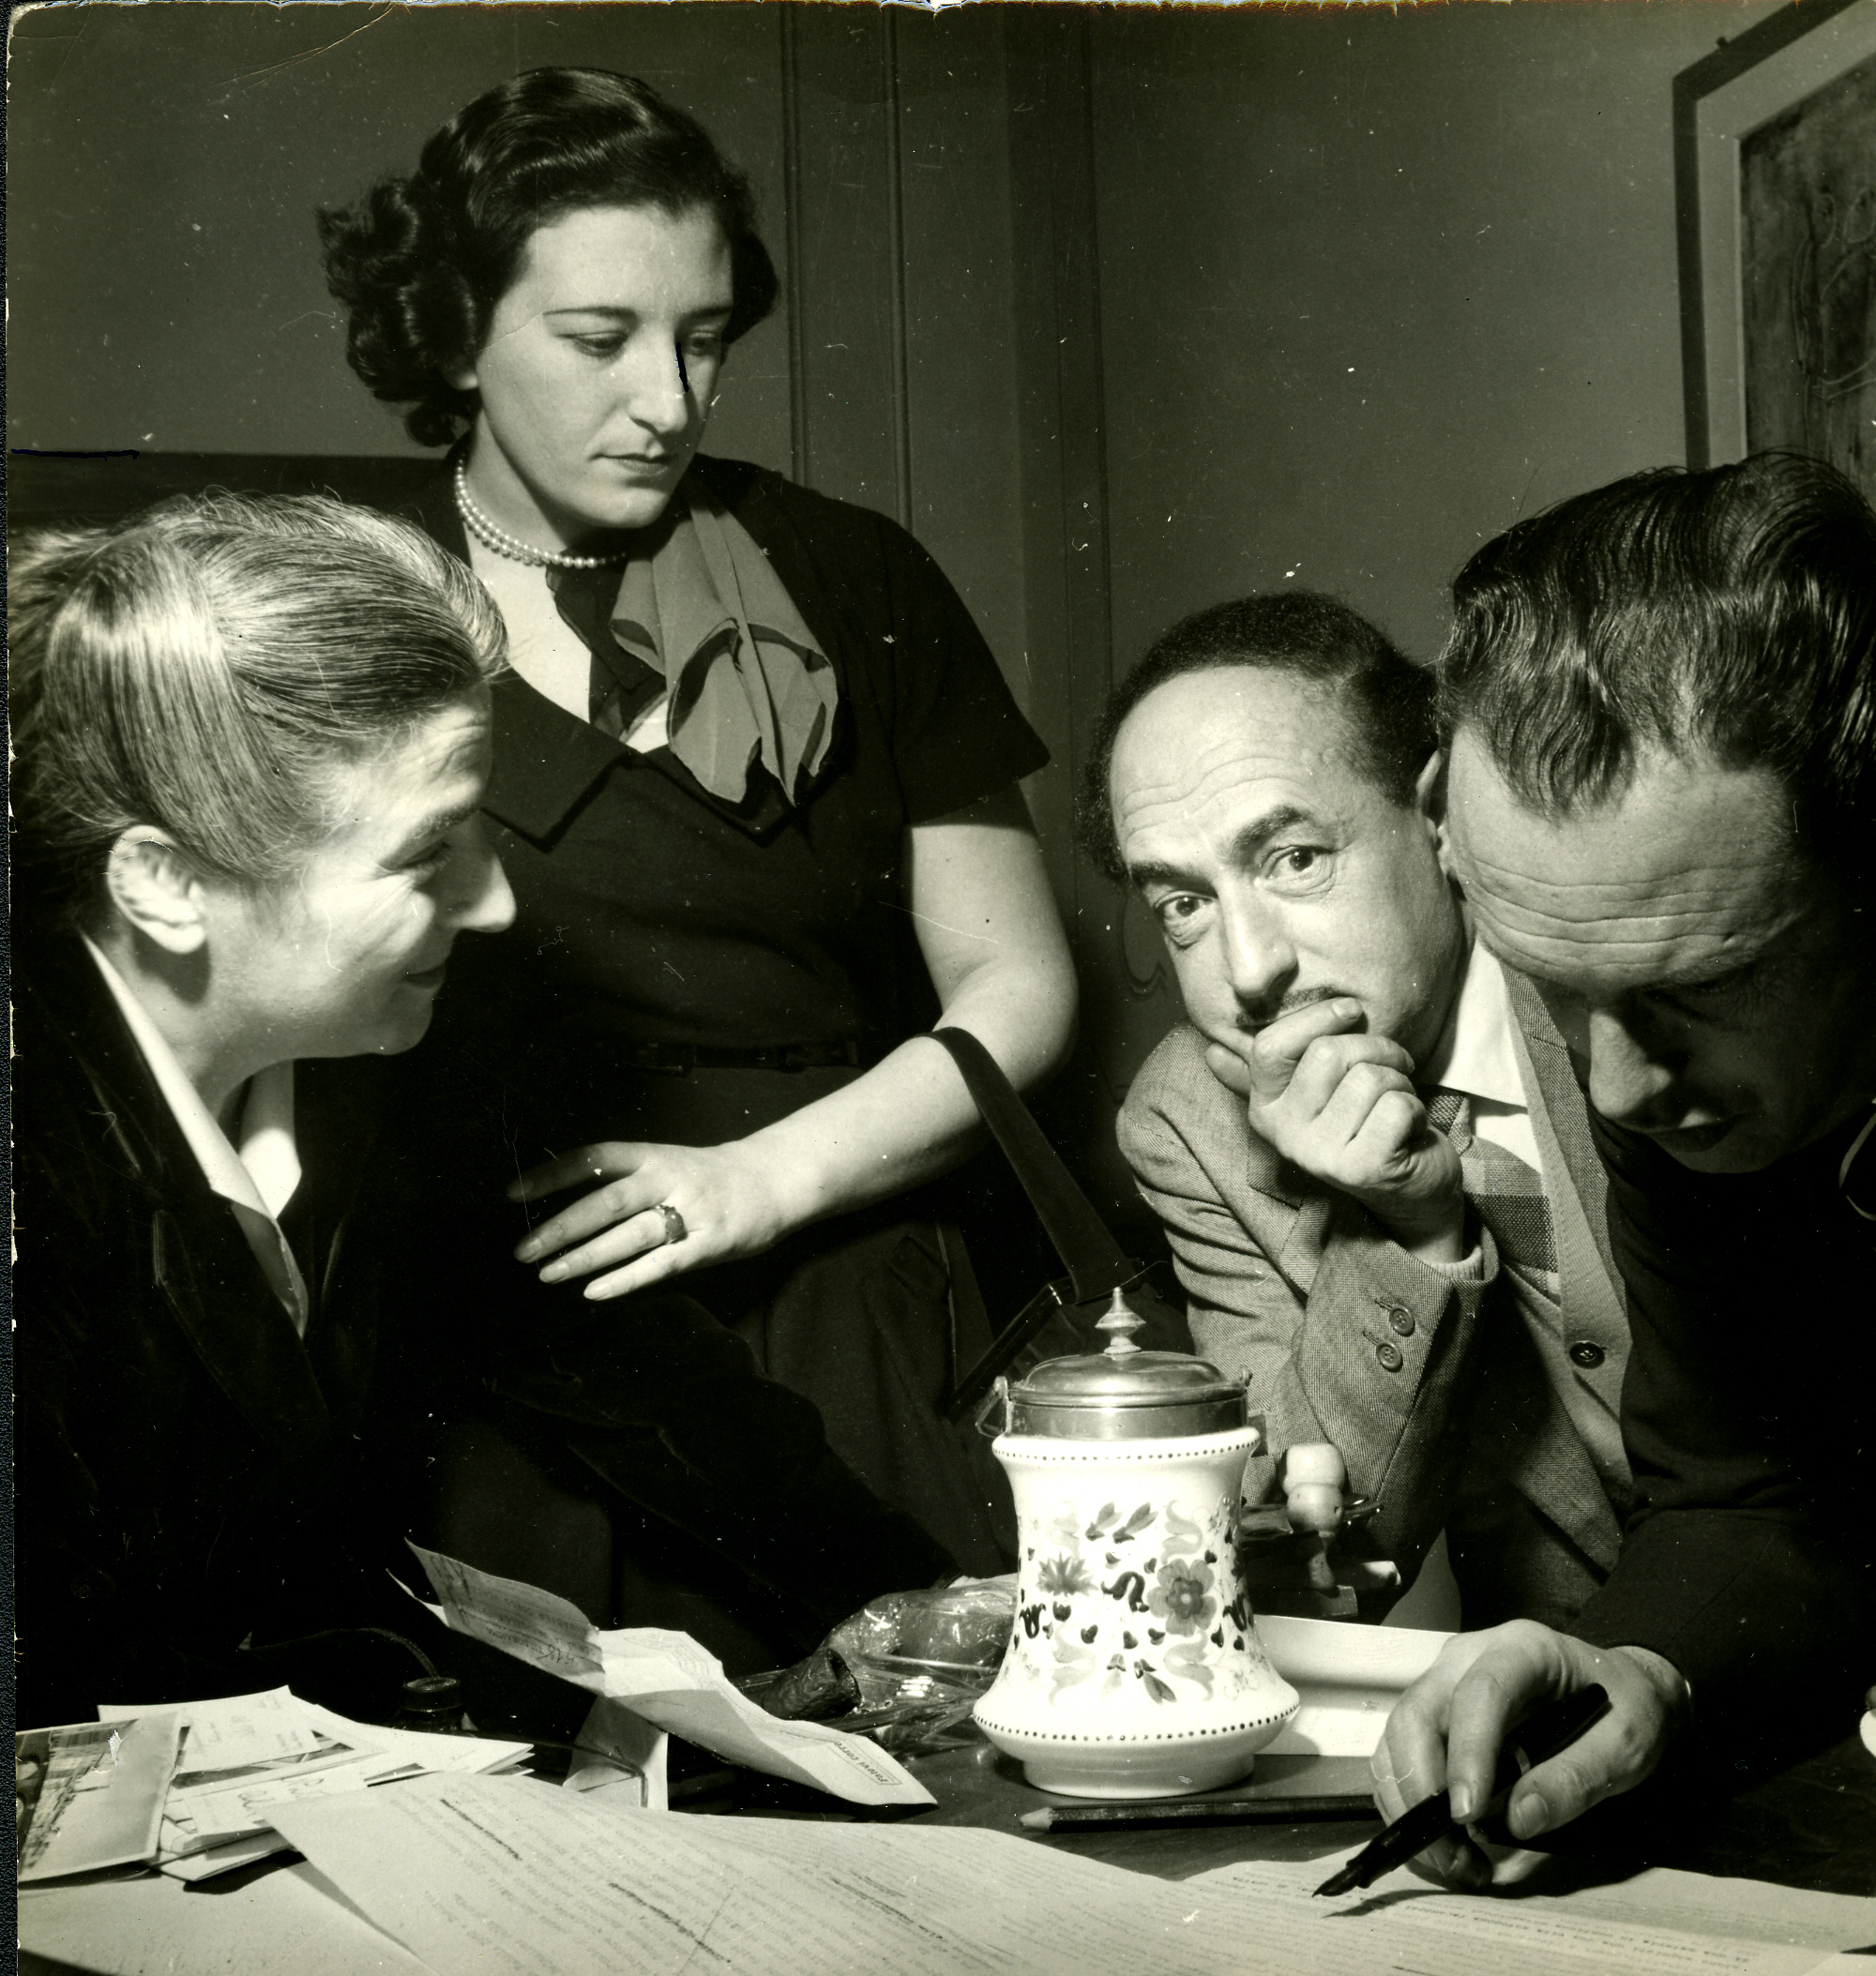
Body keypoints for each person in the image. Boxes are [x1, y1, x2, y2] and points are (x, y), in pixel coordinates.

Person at [10, 491, 958, 1729]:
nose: (499, 906)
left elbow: (628, 1369)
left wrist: (914, 1609)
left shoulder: (391, 1058)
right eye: (429, 854)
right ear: (169, 883)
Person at [316, 67, 1075, 1585]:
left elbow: (1025, 987)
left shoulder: (854, 575)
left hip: (847, 1266)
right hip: (512, 1315)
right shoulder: (352, 596)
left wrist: (764, 1181)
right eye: (599, 340)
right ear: (460, 334)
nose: (667, 402)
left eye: (705, 339)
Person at [1373, 454, 1876, 1887]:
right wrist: (1636, 1665)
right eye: (1551, 989)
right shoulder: (1662, 1058)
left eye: (1703, 987)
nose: (1615, 1091)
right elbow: (1751, 1490)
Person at [1080, 593, 1630, 1630]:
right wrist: (1405, 1231)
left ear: (1437, 819)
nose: (1251, 971)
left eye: (1293, 859)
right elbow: (1316, 1561)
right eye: (1182, 904)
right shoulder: (1191, 1116)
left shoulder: (1603, 957)